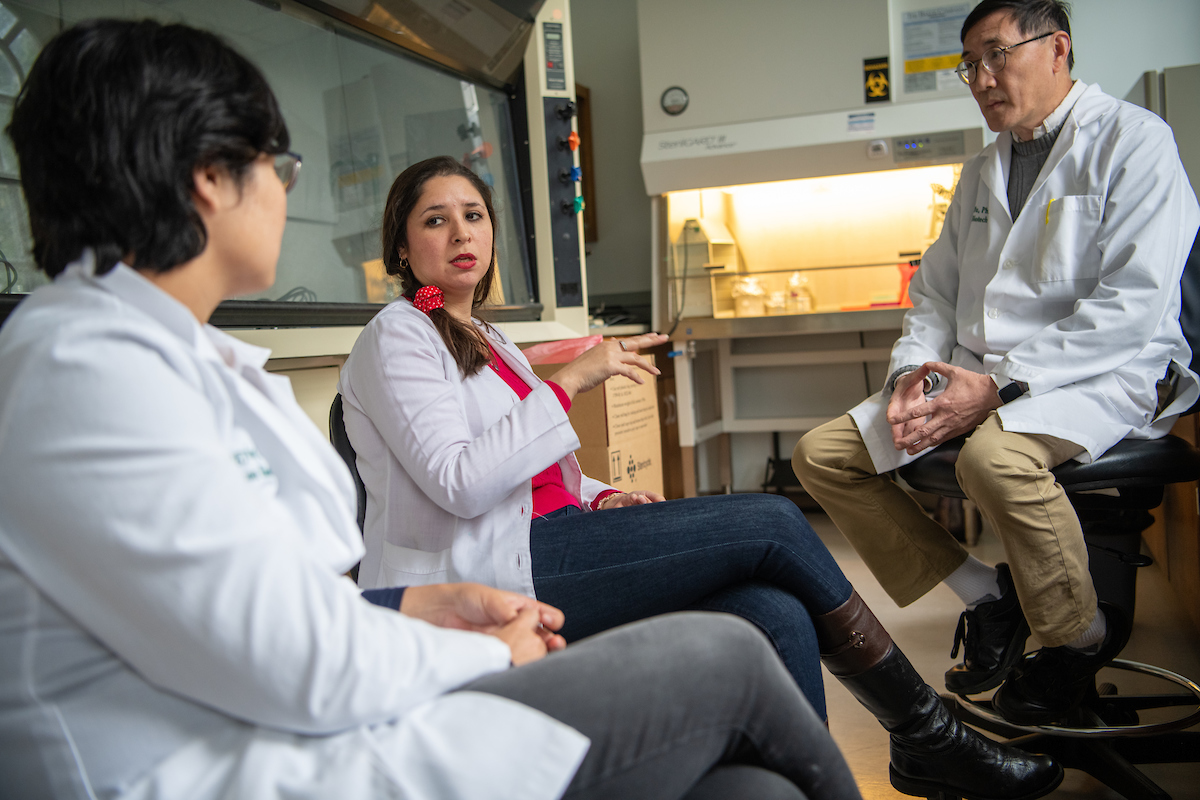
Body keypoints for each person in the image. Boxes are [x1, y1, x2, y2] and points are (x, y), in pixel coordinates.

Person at [0, 18, 874, 800]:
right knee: (721, 646)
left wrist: (415, 611)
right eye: (277, 163)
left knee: (754, 771)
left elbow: (258, 607)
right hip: (262, 760)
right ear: (205, 181)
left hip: (328, 701)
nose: (285, 188)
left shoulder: (175, 358)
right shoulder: (89, 375)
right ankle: (926, 736)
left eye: (473, 215)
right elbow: (293, 654)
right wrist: (477, 647)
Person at [337, 154, 1064, 800]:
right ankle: (928, 735)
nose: (462, 234)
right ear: (403, 246)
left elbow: (539, 476)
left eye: (474, 216)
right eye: (436, 221)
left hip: (549, 539)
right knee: (774, 522)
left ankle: (823, 776)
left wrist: (603, 494)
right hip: (488, 575)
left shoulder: (485, 337)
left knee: (771, 610)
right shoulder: (399, 332)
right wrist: (567, 383)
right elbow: (462, 483)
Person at [794, 0, 1200, 726]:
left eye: (996, 55)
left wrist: (996, 389)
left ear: (1057, 49)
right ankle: (989, 596)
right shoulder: (982, 169)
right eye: (969, 65)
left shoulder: (1136, 142)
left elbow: (1131, 306)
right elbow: (934, 297)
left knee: (994, 460)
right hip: (979, 378)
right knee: (824, 456)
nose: (981, 79)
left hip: (1105, 374)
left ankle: (1077, 642)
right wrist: (911, 380)